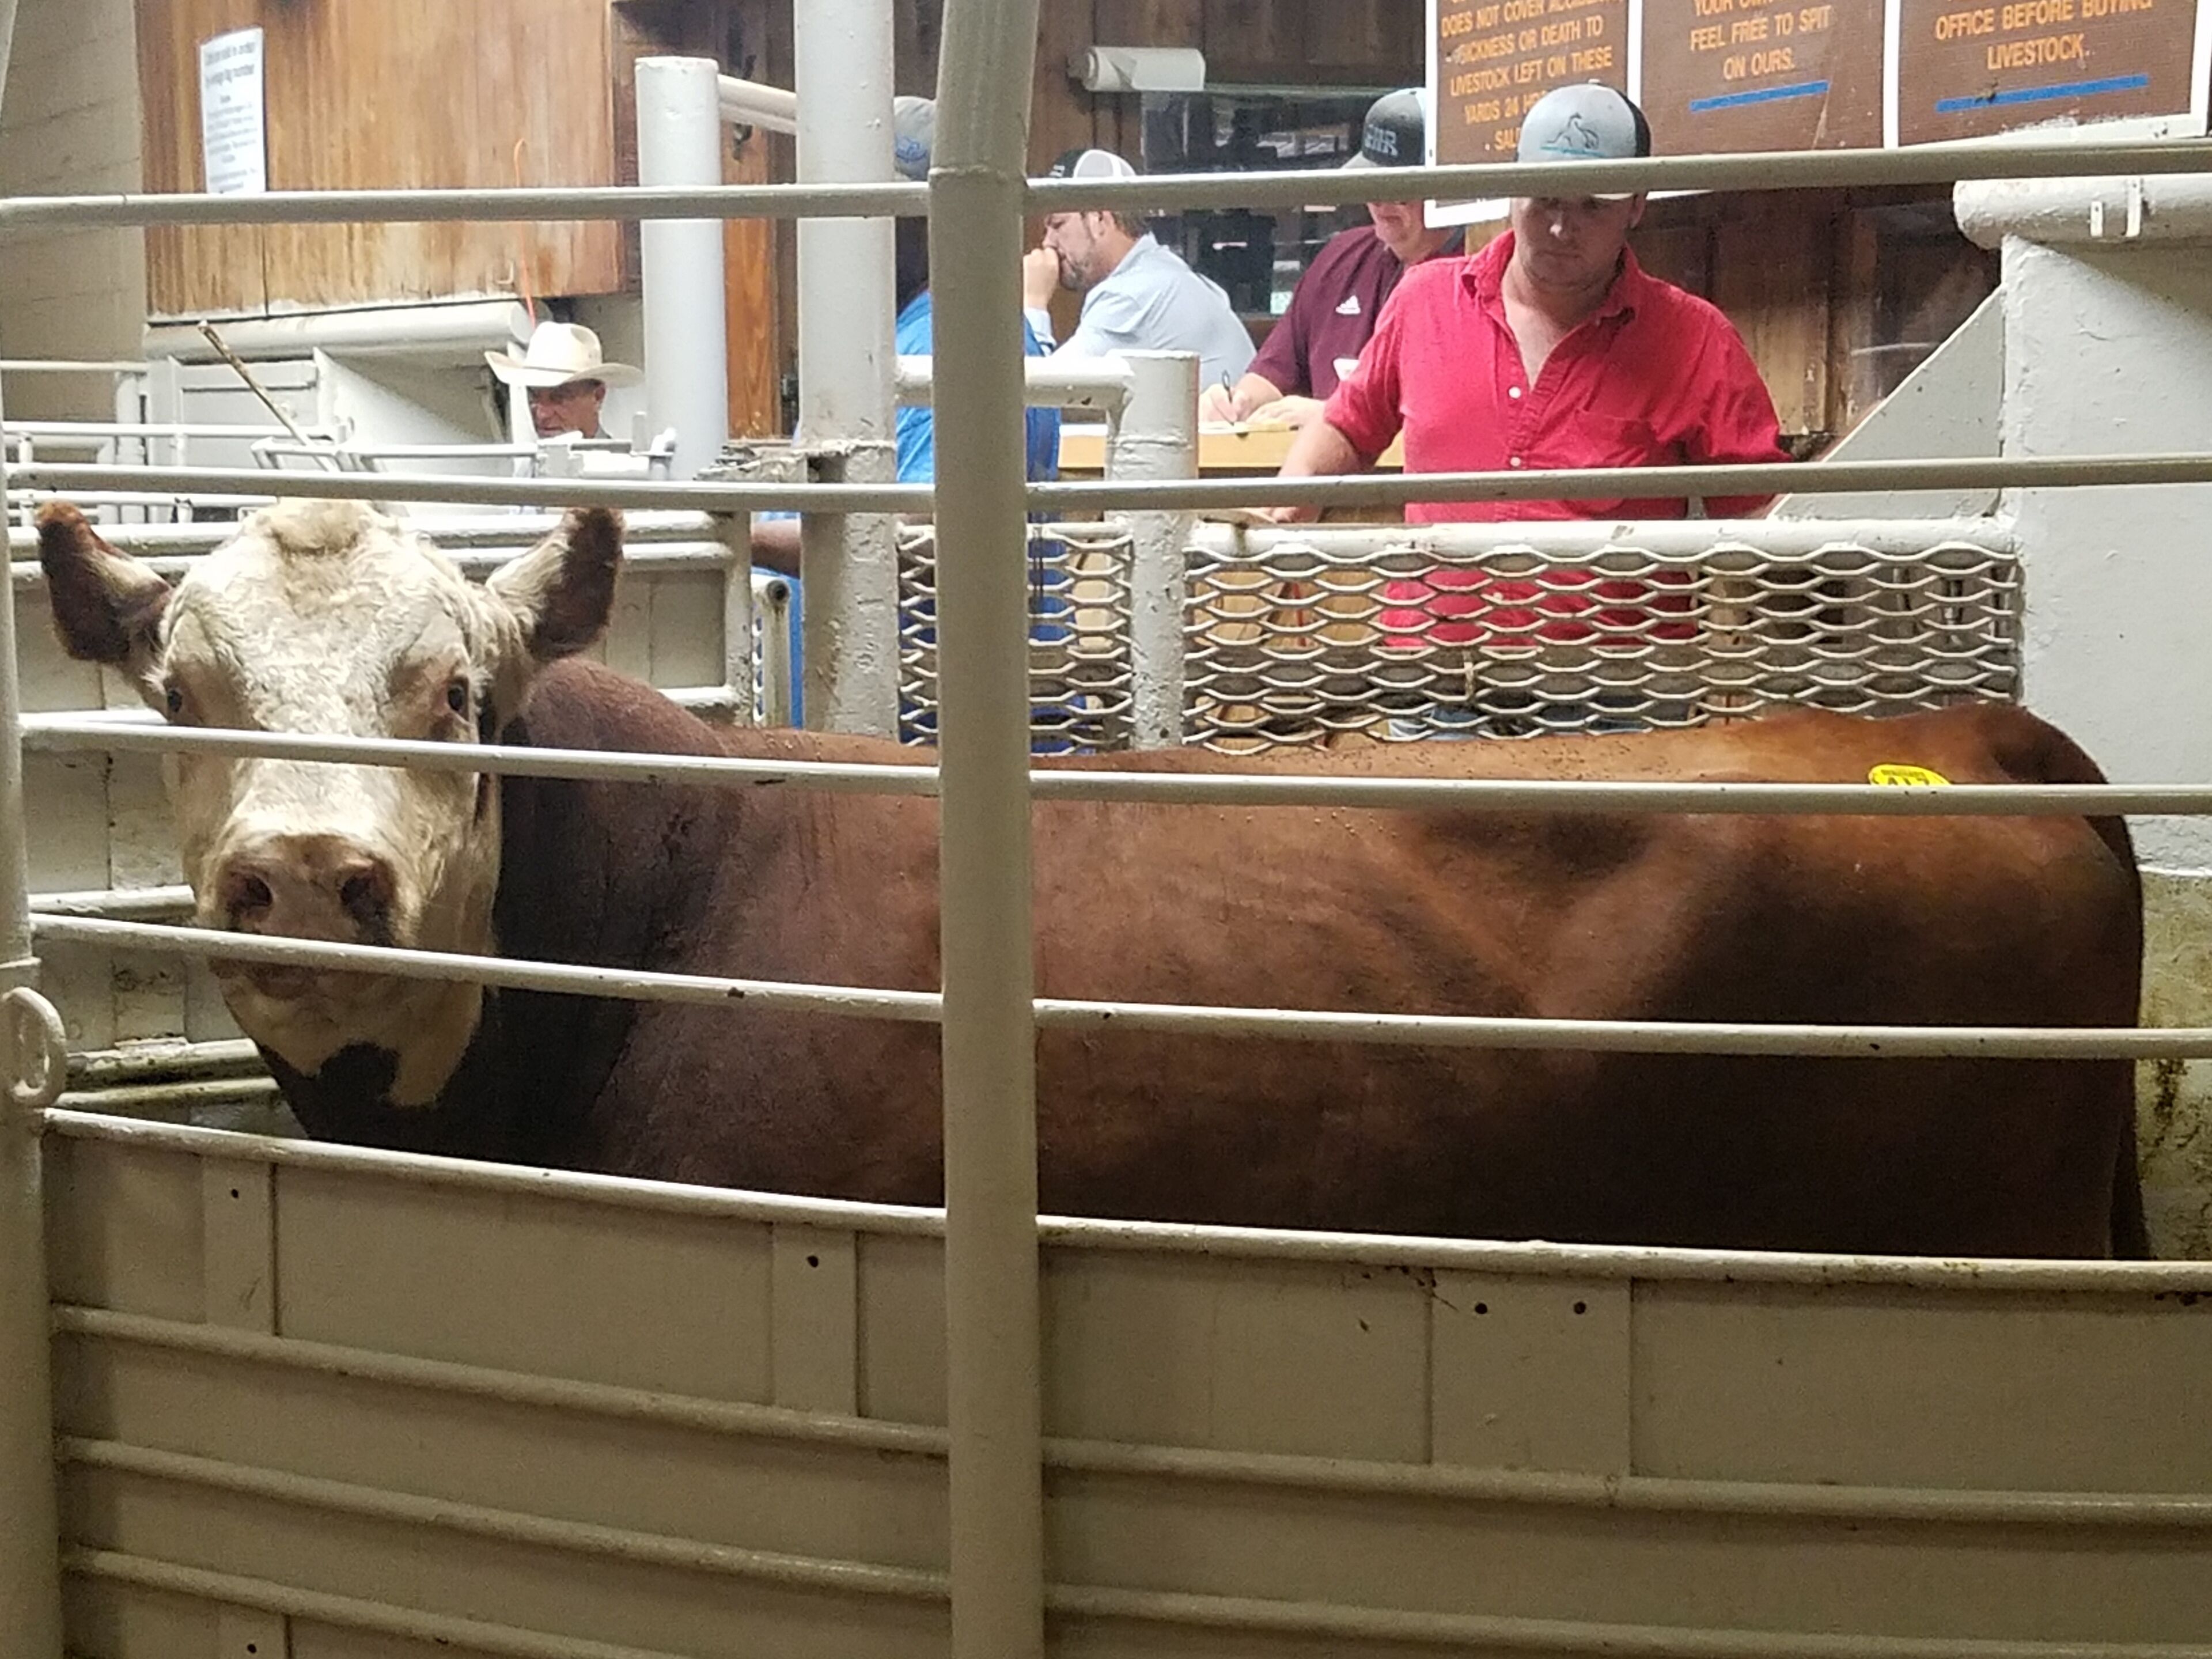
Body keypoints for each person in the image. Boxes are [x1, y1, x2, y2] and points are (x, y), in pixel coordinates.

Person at [1263, 82, 1792, 737]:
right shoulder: (1424, 301)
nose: (1561, 227)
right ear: (1514, 188)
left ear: (1636, 205)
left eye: (1591, 206)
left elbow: (1764, 517)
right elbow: (1349, 421)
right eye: (1543, 198)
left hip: (1614, 699)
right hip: (1438, 682)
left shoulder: (1695, 339)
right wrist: (1283, 513)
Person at [1199, 88, 1463, 429]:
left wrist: (1333, 416)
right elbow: (1272, 374)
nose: (1380, 203)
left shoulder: (1476, 271)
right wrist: (1236, 401)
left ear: (1449, 187)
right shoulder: (1341, 257)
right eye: (1370, 183)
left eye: (1400, 189)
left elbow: (1453, 416)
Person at [1022, 147, 1256, 389]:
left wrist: (1033, 304)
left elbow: (1038, 397)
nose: (1047, 242)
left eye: (1058, 225)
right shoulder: (1159, 271)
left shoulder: (1132, 296)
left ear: (1099, 219)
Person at [484, 321, 639, 439]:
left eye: (560, 398)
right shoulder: (530, 472)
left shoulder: (623, 473)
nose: (542, 415)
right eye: (534, 396)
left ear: (598, 396)